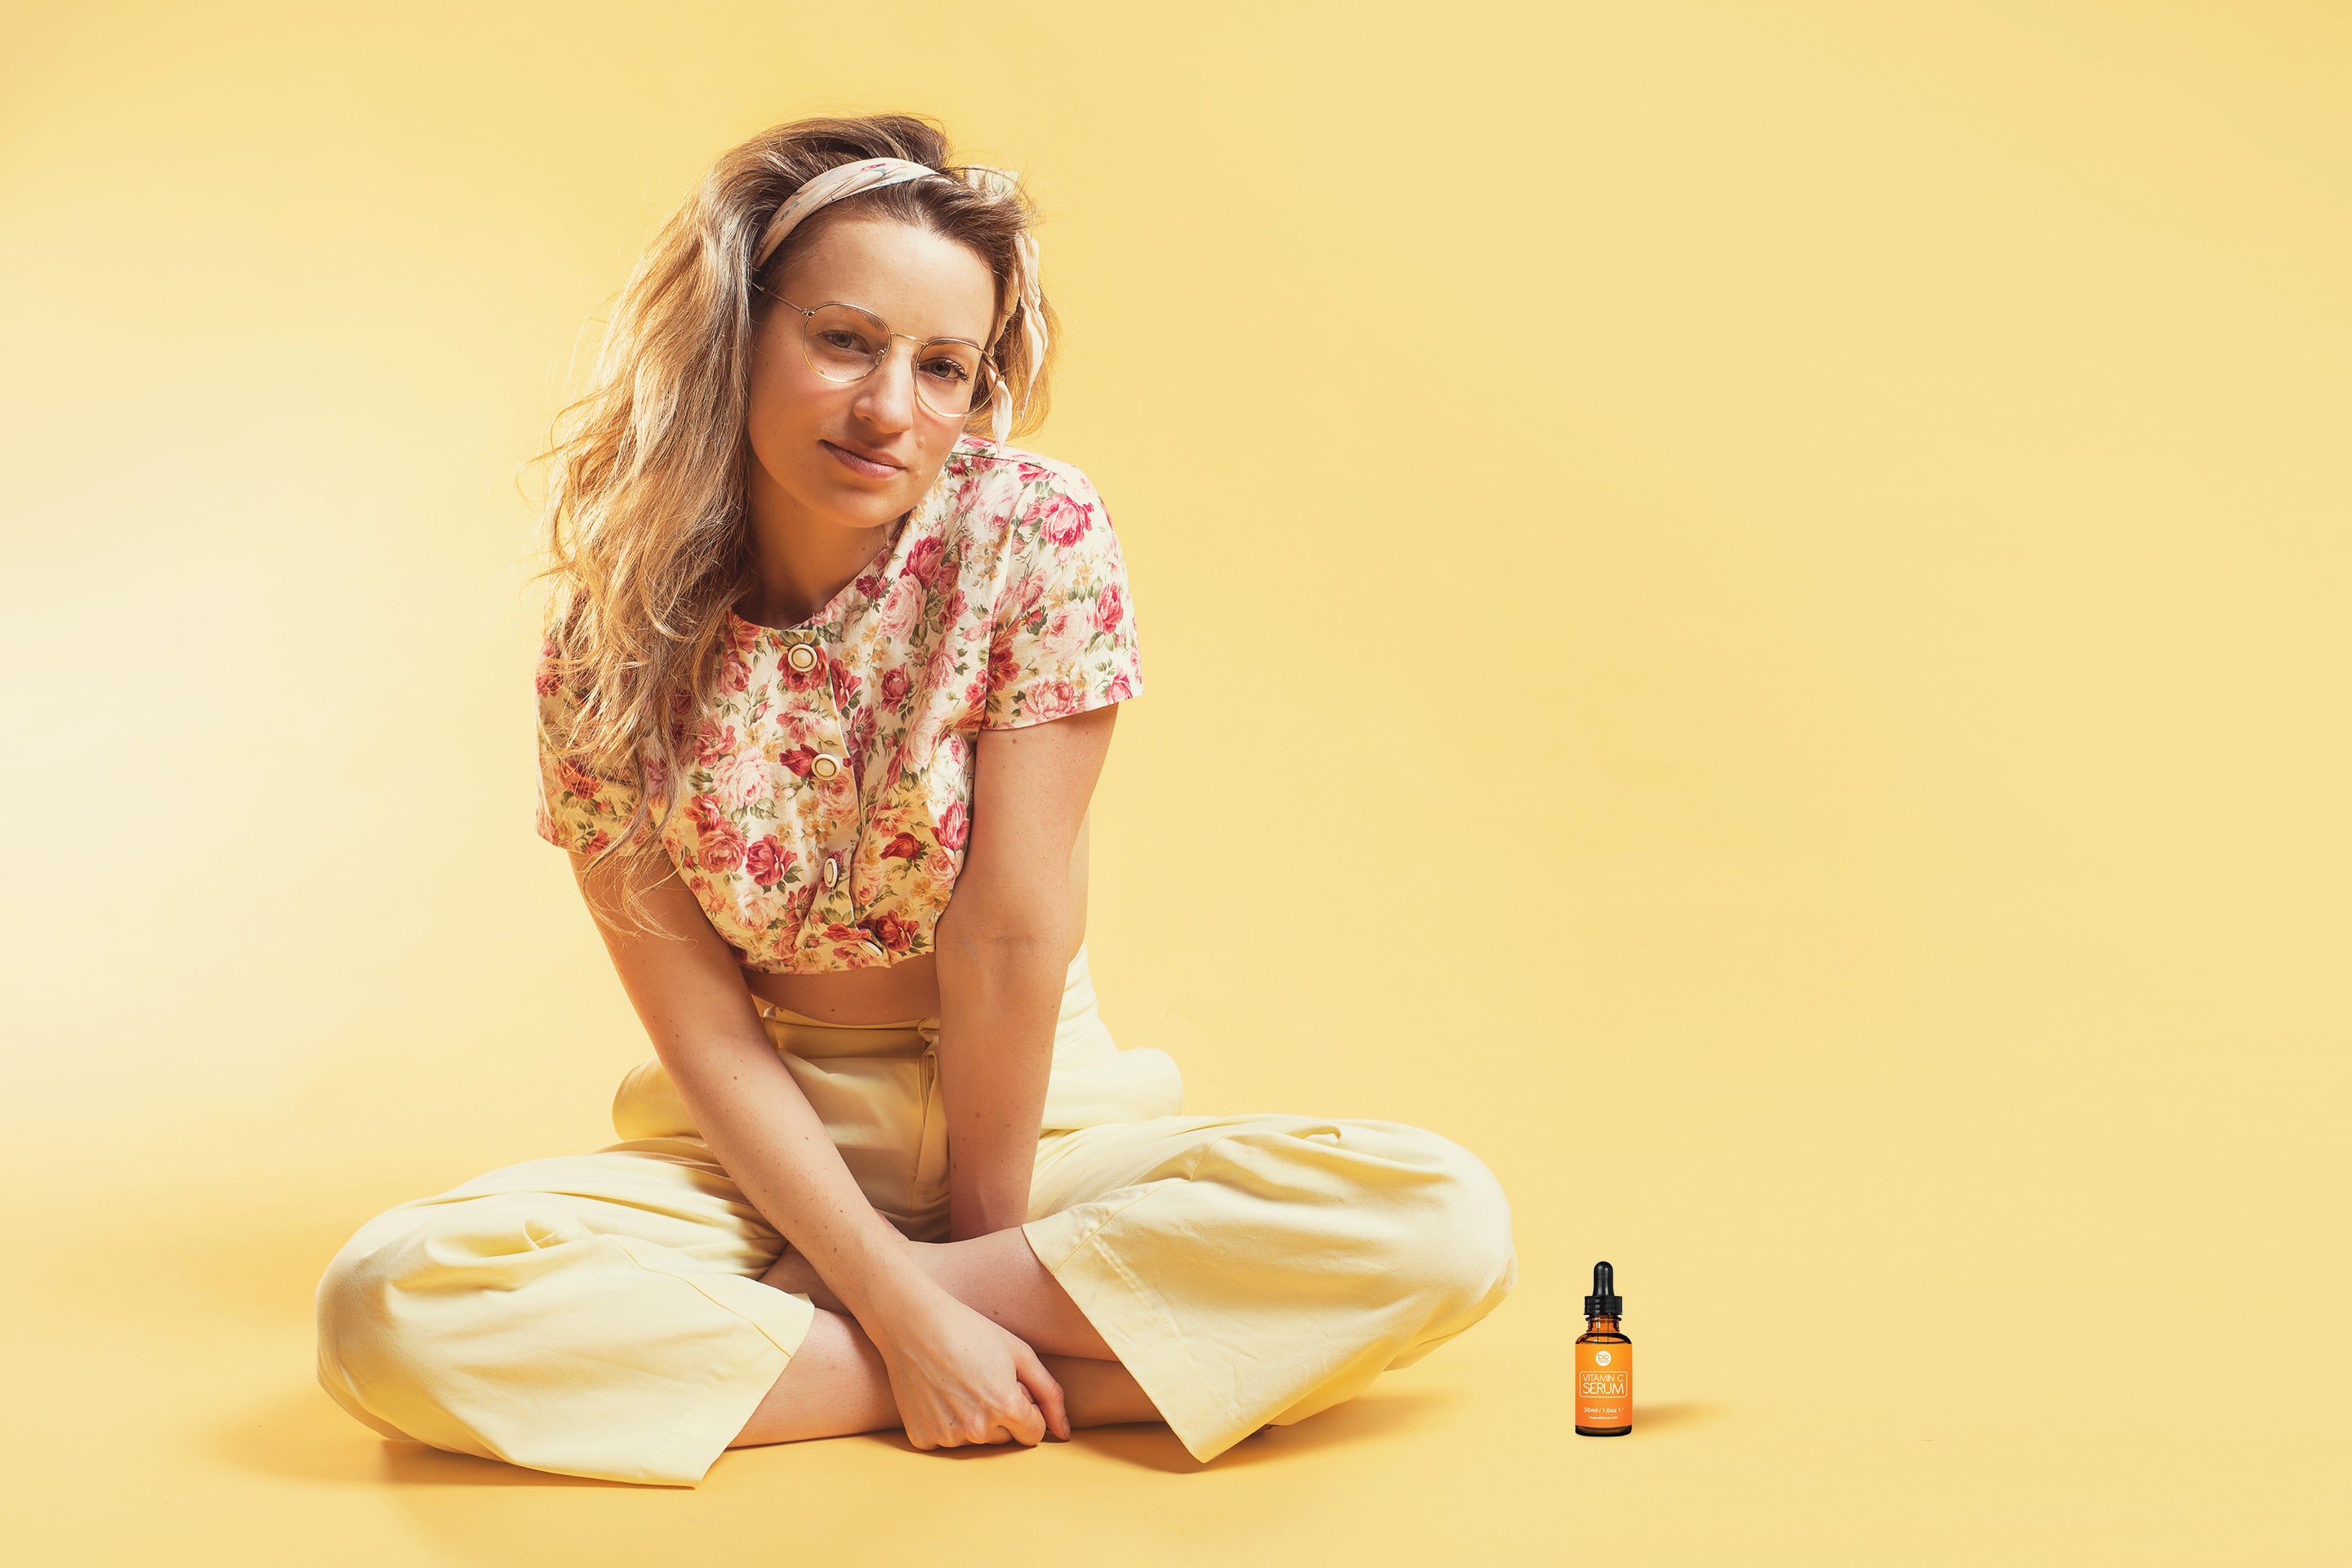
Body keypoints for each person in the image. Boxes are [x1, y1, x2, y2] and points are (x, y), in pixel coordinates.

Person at [313, 111, 1519, 1487]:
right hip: (771, 1137)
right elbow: (698, 1020)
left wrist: (953, 1275)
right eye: (843, 341)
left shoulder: (1032, 534)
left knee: (1441, 1221)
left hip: (1039, 1118)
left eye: (942, 366)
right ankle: (1069, 1370)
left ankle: (851, 1354)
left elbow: (1008, 935)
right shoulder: (612, 631)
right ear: (735, 336)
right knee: (390, 1304)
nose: (890, 409)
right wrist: (899, 1305)